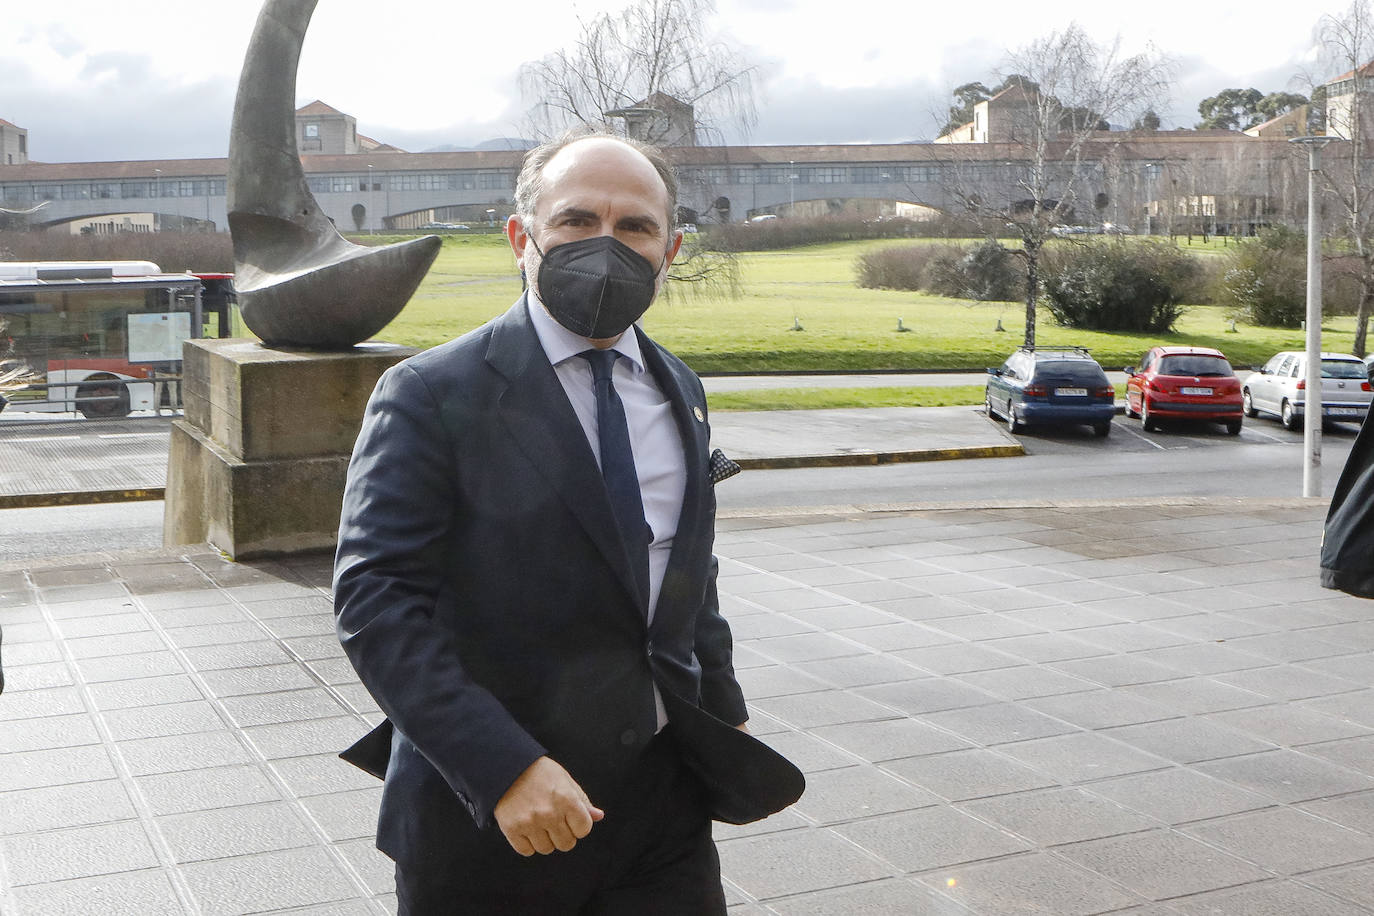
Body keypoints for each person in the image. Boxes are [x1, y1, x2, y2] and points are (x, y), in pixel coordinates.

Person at [333, 133, 801, 915]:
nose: (605, 246)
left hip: (661, 811)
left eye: (635, 227)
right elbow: (377, 604)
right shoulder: (428, 393)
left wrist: (724, 706)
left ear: (671, 249)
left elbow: (685, 568)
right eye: (577, 220)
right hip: (495, 817)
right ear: (524, 237)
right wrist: (504, 768)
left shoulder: (679, 386)